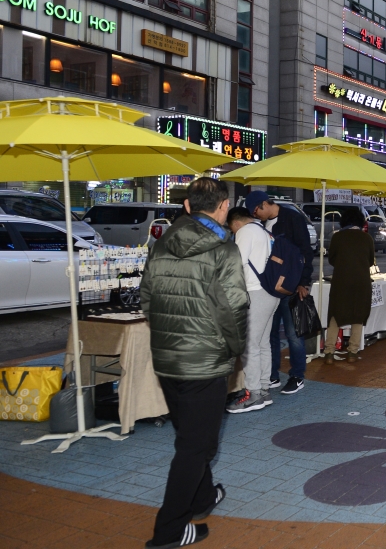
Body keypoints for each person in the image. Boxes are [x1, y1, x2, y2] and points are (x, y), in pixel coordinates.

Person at [141, 177, 247, 548]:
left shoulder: (162, 243)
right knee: (196, 447)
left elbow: (146, 297)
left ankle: (203, 499)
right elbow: (234, 309)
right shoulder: (224, 250)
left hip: (166, 356)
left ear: (187, 206)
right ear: (223, 207)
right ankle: (169, 531)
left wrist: (167, 332)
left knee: (190, 436)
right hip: (204, 361)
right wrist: (234, 351)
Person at [246, 192, 314, 397]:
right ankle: (272, 374)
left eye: (256, 211)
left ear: (264, 204)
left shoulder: (293, 218)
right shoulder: (261, 225)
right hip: (269, 288)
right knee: (270, 333)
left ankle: (297, 375)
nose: (255, 215)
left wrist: (303, 282)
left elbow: (306, 251)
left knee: (293, 334)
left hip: (291, 286)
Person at [225, 207, 279, 414]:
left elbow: (235, 264)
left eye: (232, 229)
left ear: (236, 223)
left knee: (250, 345)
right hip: (270, 292)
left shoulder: (245, 231)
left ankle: (253, 394)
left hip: (255, 292)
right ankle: (263, 390)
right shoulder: (265, 231)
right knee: (262, 343)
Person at [324, 208, 375, 365]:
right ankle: (352, 352)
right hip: (362, 281)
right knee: (358, 314)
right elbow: (370, 261)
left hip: (341, 280)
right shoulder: (367, 238)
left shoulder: (337, 237)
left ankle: (329, 352)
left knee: (335, 314)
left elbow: (331, 259)